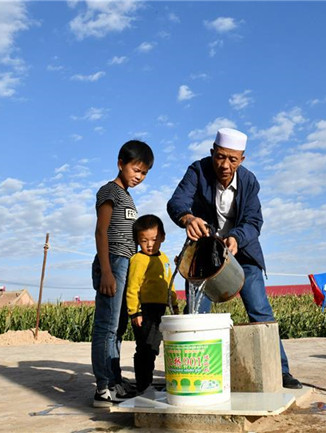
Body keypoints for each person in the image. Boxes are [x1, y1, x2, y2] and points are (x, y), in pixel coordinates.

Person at [166, 127, 303, 389]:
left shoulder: (249, 182)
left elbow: (254, 221)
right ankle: (195, 375)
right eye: (220, 157)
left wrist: (237, 238)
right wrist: (188, 218)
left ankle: (281, 370)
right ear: (212, 153)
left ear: (242, 159)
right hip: (205, 256)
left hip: (243, 254)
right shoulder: (197, 171)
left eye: (232, 159)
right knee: (195, 314)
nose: (225, 165)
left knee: (260, 312)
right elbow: (176, 202)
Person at [91, 140, 153, 408]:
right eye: (135, 170)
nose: (139, 176)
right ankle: (103, 388)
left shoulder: (128, 197)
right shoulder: (110, 191)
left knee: (117, 327)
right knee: (106, 326)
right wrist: (107, 271)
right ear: (120, 164)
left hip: (125, 263)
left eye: (144, 173)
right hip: (112, 261)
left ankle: (114, 380)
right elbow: (101, 231)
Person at [126, 214, 179, 394]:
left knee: (155, 347)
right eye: (144, 240)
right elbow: (132, 287)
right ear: (137, 240)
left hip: (160, 309)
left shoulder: (164, 258)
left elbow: (168, 282)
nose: (150, 244)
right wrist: (135, 312)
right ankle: (143, 385)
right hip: (145, 311)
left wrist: (174, 305)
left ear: (163, 237)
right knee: (146, 348)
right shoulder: (138, 260)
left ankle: (147, 383)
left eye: (154, 239)